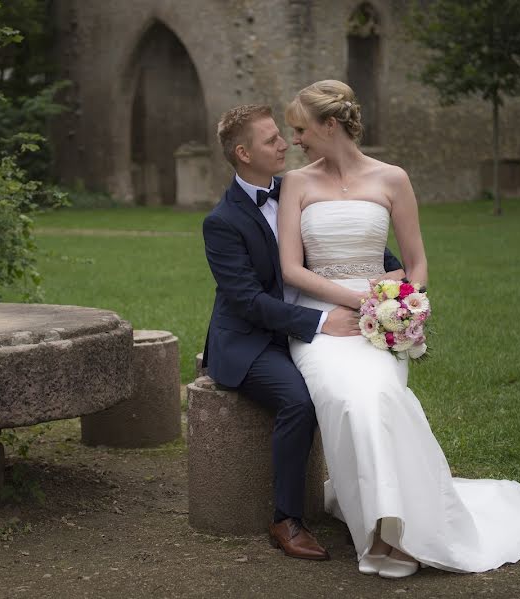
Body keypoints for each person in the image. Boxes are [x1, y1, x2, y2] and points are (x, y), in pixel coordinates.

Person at [278, 80, 520, 578]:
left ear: (328, 125)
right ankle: (379, 530)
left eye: (300, 129)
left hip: (378, 323)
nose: (295, 140)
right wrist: (357, 301)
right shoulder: (296, 183)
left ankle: (396, 529)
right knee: (345, 398)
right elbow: (292, 270)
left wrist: (400, 304)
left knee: (379, 395)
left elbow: (418, 263)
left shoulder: (392, 179)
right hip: (324, 323)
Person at [200, 104, 403, 560]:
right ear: (243, 153)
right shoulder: (221, 222)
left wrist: (394, 279)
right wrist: (318, 322)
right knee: (300, 399)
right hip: (253, 341)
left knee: (356, 389)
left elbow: (342, 242)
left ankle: (369, 506)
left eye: (282, 135)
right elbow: (248, 302)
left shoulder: (298, 188)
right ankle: (286, 518)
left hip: (316, 321)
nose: (284, 144)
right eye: (271, 139)